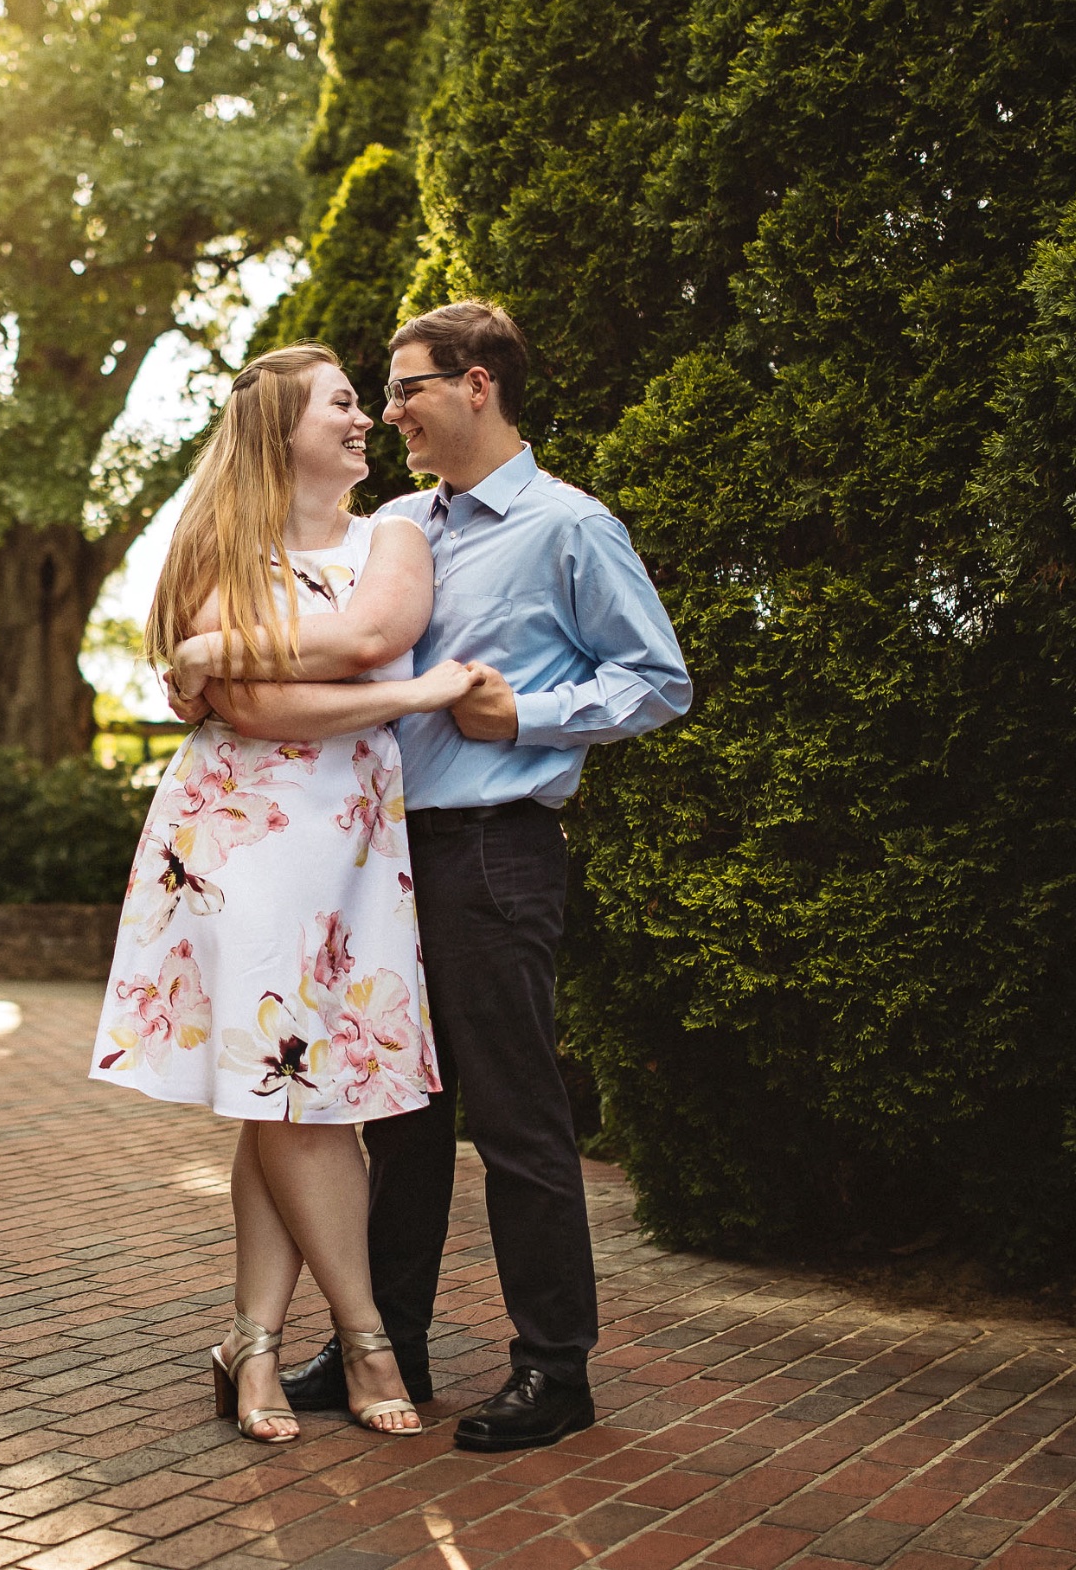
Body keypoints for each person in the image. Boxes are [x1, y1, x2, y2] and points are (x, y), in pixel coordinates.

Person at [166, 302, 692, 1452]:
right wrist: (217, 656)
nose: (390, 408)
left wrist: (534, 713)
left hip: (497, 847)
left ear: (477, 388)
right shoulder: (399, 522)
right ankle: (386, 1343)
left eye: (406, 388)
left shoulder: (570, 526)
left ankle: (555, 1366)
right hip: (378, 858)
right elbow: (335, 638)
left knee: (516, 1119)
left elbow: (660, 678)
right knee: (402, 1117)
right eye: (379, 393)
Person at [87, 342, 477, 1445]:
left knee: (286, 1094)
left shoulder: (393, 528)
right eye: (345, 404)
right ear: (283, 429)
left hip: (350, 845)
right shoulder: (221, 538)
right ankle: (365, 1335)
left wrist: (221, 644)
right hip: (237, 837)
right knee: (298, 1090)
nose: (367, 419)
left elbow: (368, 632)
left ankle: (251, 1344)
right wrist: (410, 696)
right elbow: (254, 715)